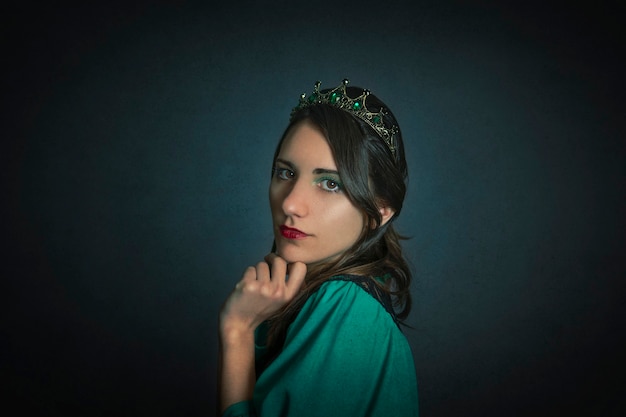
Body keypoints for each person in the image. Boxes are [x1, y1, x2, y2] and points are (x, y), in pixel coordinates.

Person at [219, 79, 419, 416]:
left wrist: (237, 333)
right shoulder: (315, 299)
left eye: (330, 183)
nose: (292, 204)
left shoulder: (346, 307)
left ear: (380, 211)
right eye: (285, 172)